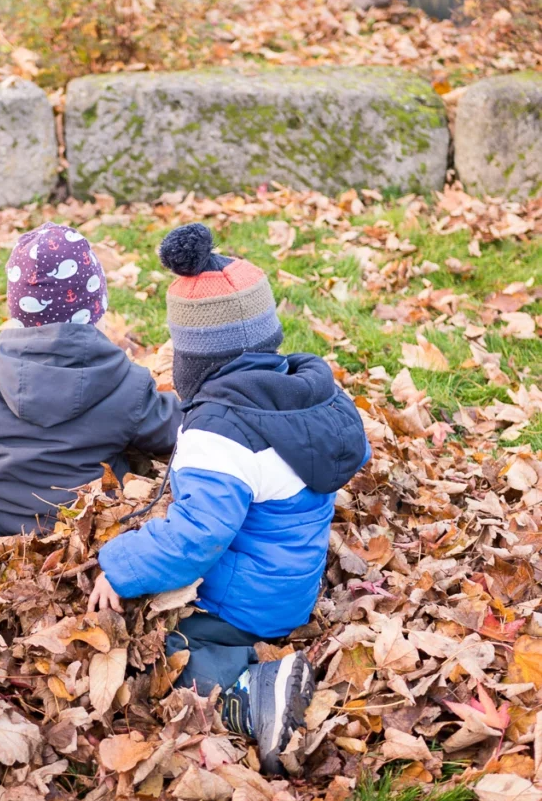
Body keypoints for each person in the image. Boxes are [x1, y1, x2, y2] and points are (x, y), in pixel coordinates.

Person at [89, 223, 370, 773]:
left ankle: (251, 687)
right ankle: (260, 657)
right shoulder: (305, 394)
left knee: (158, 651)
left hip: (242, 604)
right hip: (290, 580)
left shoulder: (220, 433)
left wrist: (120, 565)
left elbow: (198, 537)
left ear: (190, 358)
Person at [0, 222, 181, 535]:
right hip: (89, 525)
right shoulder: (126, 383)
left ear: (16, 308)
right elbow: (173, 432)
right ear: (96, 309)